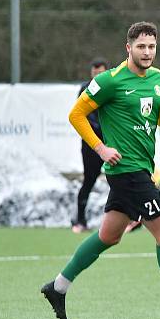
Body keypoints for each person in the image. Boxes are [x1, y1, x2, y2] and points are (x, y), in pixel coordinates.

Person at [40, 21, 160, 319]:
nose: (147, 52)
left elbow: (159, 119)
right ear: (128, 48)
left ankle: (57, 287)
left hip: (140, 170)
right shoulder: (110, 81)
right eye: (141, 47)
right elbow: (76, 114)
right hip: (127, 172)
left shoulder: (158, 78)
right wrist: (101, 149)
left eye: (151, 47)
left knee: (108, 236)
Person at [72, 58, 108, 234]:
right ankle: (80, 220)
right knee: (89, 180)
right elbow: (81, 116)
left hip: (110, 145)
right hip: (91, 146)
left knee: (121, 180)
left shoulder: (111, 87)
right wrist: (97, 136)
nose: (97, 76)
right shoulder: (86, 89)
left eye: (100, 73)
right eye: (95, 73)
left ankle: (131, 219)